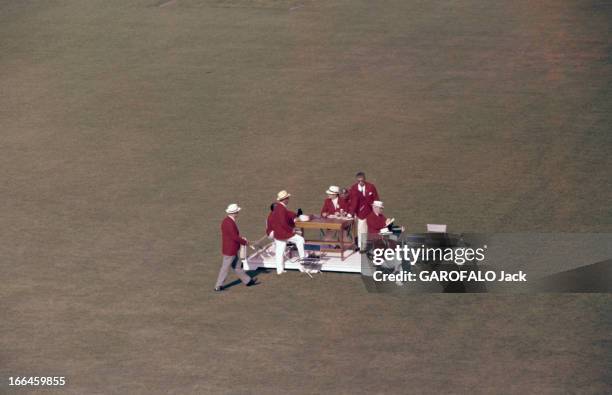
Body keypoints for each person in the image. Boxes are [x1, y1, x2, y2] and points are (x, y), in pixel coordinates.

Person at [215, 203, 258, 292]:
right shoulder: (230, 223)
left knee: (237, 267)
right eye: (237, 211)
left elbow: (232, 236)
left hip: (231, 249)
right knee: (225, 268)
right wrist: (246, 242)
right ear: (234, 213)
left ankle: (248, 281)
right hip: (230, 250)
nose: (238, 212)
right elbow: (234, 237)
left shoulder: (226, 221)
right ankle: (218, 286)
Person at [269, 190, 305, 274]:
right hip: (283, 233)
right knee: (300, 240)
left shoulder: (278, 207)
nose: (289, 199)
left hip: (277, 233)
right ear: (285, 199)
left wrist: (296, 215)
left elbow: (288, 214)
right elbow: (283, 222)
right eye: (288, 198)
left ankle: (279, 270)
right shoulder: (281, 208)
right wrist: (292, 230)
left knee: (279, 251)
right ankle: (303, 263)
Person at [349, 171, 380, 250]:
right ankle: (362, 247)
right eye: (358, 181)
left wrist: (377, 210)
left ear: (365, 179)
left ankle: (374, 245)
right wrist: (351, 212)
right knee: (361, 229)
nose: (360, 182)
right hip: (359, 213)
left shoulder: (371, 187)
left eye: (362, 180)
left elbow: (376, 199)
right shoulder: (353, 188)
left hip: (370, 211)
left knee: (373, 229)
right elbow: (352, 201)